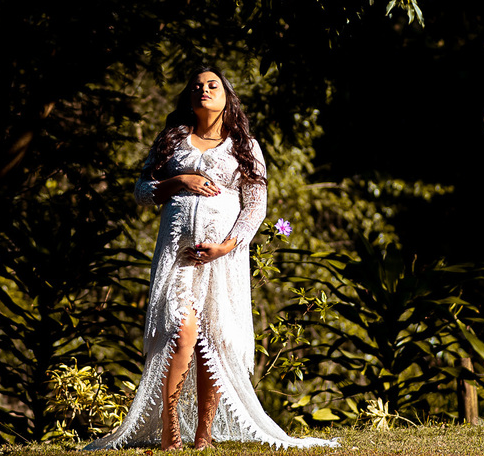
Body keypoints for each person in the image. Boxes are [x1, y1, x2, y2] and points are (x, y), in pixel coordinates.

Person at [86, 67, 337, 450]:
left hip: (222, 260)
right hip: (177, 258)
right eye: (197, 87)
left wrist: (226, 246)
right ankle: (171, 435)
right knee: (181, 332)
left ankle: (202, 436)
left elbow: (255, 206)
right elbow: (141, 191)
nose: (204, 90)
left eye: (212, 85)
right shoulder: (171, 141)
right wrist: (177, 182)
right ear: (190, 97)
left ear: (226, 96)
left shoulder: (244, 145)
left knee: (214, 344)